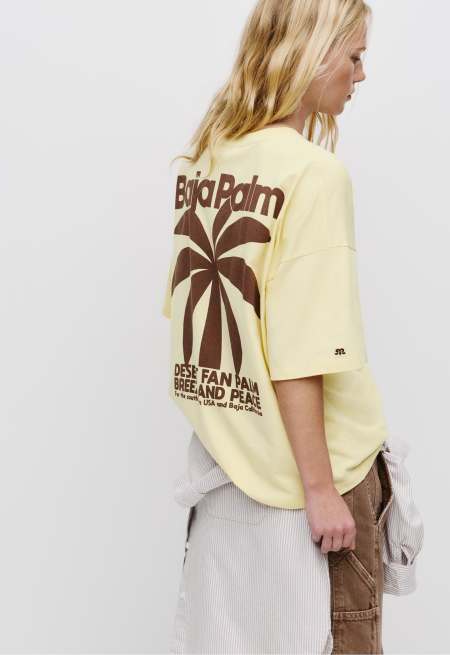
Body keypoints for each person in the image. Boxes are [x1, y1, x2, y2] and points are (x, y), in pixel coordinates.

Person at [162, 1, 403, 652]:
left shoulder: (205, 161)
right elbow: (300, 350)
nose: (360, 75)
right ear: (311, 53)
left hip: (228, 474)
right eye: (354, 56)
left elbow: (194, 321)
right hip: (317, 474)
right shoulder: (314, 174)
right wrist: (320, 490)